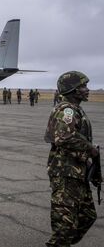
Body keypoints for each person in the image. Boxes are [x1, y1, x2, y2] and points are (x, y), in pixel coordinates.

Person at [44, 71, 99, 247]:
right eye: (83, 86)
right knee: (64, 227)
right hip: (65, 173)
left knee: (87, 216)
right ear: (73, 89)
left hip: (77, 172)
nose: (87, 89)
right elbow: (64, 138)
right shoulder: (66, 109)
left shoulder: (75, 109)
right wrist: (90, 149)